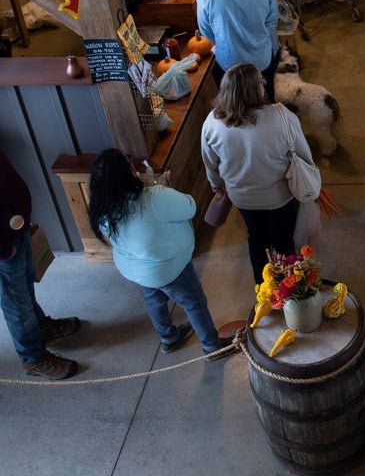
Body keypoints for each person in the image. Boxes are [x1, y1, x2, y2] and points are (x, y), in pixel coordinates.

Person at [87, 149, 232, 358]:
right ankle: (212, 346)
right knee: (194, 302)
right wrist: (160, 186)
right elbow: (190, 207)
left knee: (154, 301)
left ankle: (168, 338)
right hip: (169, 266)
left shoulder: (101, 209)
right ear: (127, 173)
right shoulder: (154, 197)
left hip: (137, 269)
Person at [201, 62, 317, 283]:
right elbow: (304, 155)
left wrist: (216, 182)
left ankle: (263, 287)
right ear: (257, 89)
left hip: (242, 198)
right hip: (280, 196)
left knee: (256, 238)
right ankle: (289, 289)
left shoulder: (212, 122)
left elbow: (210, 163)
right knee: (283, 240)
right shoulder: (282, 117)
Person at [0, 147, 81, 380]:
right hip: (4, 246)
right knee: (17, 304)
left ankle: (40, 327)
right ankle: (32, 358)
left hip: (16, 224)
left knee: (25, 285)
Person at [197, 0, 280, 102]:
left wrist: (224, 40)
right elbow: (271, 21)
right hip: (261, 60)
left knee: (232, 107)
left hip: (229, 63)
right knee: (266, 102)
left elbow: (206, 32)